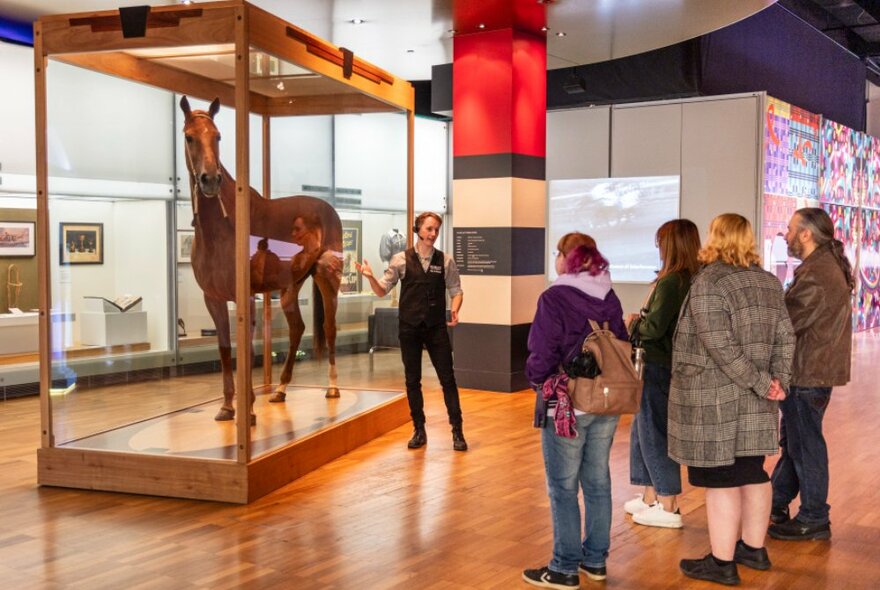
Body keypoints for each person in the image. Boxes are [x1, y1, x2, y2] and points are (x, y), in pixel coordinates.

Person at [670, 214, 794, 586]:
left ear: (716, 237)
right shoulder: (769, 281)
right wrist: (777, 382)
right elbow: (786, 338)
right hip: (757, 401)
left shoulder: (710, 281)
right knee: (752, 473)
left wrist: (763, 382)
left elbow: (720, 348)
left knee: (721, 479)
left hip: (716, 400)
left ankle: (722, 562)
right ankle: (752, 549)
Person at [522, 233, 628, 588]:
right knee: (597, 482)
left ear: (568, 258)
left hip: (566, 404)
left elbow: (542, 350)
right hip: (605, 401)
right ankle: (595, 560)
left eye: (558, 253)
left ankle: (565, 567)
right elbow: (623, 341)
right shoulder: (609, 295)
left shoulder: (555, 297)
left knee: (563, 488)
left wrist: (539, 382)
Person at [768, 207, 854, 541]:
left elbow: (788, 322)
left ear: (807, 233)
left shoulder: (817, 272)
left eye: (790, 229)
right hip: (809, 373)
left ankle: (814, 517)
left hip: (807, 374)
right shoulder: (824, 266)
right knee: (796, 445)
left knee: (806, 448)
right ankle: (776, 503)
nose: (785, 235)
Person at [355, 212, 467, 451]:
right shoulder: (400, 260)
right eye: (428, 229)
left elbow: (457, 290)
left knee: (448, 379)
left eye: (436, 229)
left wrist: (455, 310)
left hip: (436, 328)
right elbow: (382, 291)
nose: (433, 234)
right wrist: (370, 276)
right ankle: (419, 429)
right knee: (412, 380)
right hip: (410, 328)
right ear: (418, 230)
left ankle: (457, 430)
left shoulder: (445, 261)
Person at [624, 219, 701, 529]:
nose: (657, 248)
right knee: (642, 430)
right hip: (664, 364)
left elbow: (654, 328)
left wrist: (633, 323)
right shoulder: (688, 278)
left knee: (653, 432)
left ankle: (667, 503)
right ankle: (649, 495)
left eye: (660, 242)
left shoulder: (672, 282)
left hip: (657, 364)